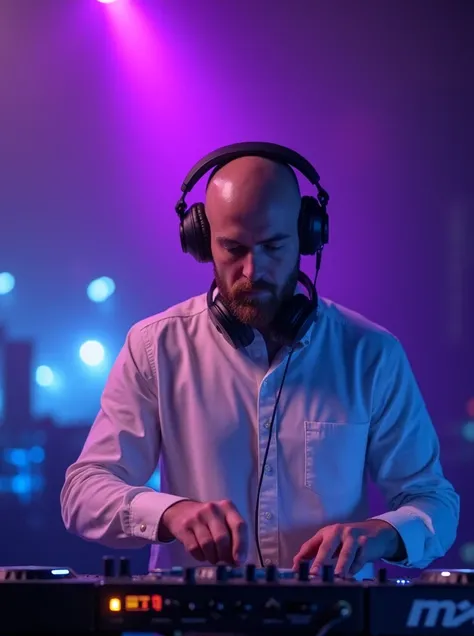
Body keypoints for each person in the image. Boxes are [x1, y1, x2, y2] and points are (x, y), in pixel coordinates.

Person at [60, 142, 459, 579]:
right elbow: (83, 493)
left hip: (333, 633)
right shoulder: (155, 346)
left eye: (273, 246)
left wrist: (380, 532)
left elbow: (434, 501)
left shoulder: (370, 353)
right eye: (233, 249)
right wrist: (171, 513)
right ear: (201, 242)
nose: (253, 271)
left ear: (308, 237)